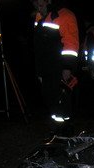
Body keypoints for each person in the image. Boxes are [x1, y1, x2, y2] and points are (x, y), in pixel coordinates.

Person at [32, 0, 79, 132]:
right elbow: (39, 47)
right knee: (51, 103)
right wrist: (40, 71)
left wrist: (67, 67)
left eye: (40, 3)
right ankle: (57, 133)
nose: (38, 6)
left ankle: (66, 133)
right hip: (46, 69)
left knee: (62, 104)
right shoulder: (39, 17)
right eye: (35, 4)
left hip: (60, 68)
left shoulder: (64, 15)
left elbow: (71, 44)